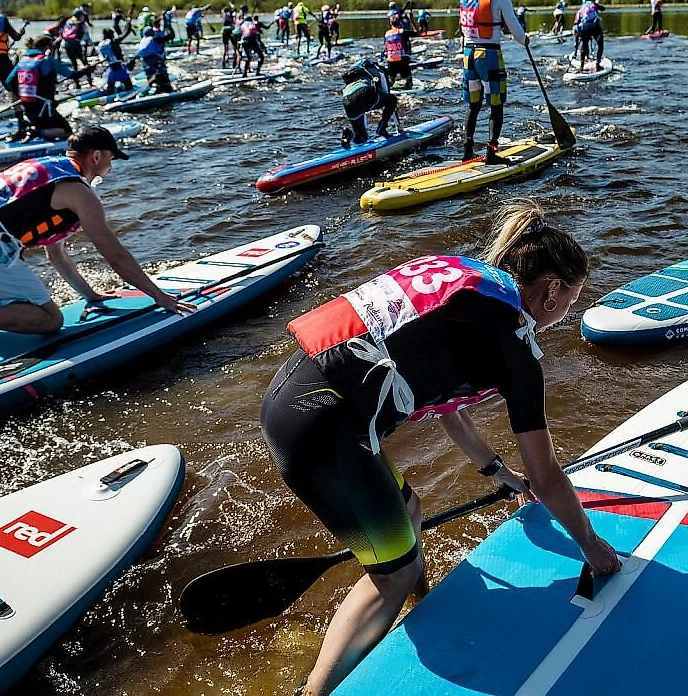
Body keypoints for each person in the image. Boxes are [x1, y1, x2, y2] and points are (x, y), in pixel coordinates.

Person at [262, 199, 622, 695]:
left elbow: (448, 405)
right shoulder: (513, 342)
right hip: (325, 428)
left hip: (296, 397)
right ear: (552, 289)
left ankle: (413, 602)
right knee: (393, 573)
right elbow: (548, 475)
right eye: (573, 300)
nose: (567, 313)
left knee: (407, 512)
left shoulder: (469, 285)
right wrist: (592, 545)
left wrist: (496, 471)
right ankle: (315, 690)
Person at [0, 126, 192, 375]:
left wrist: (91, 295)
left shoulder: (45, 169)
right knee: (50, 320)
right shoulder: (79, 191)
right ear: (96, 156)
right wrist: (160, 297)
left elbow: (57, 254)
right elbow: (115, 254)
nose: (112, 165)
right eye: (112, 158)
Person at [459, 0, 528, 164]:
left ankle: (467, 151)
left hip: (468, 55)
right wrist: (525, 39)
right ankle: (491, 153)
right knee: (496, 105)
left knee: (474, 104)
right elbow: (518, 33)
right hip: (488, 56)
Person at [8, 35, 87, 142]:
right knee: (67, 131)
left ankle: (28, 129)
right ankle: (35, 132)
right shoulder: (47, 61)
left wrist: (21, 96)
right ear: (47, 48)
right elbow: (73, 74)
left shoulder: (23, 60)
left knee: (43, 124)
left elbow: (9, 81)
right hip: (44, 107)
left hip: (27, 106)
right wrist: (87, 70)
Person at [339, 58, 397, 148]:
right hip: (364, 94)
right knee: (392, 100)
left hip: (346, 100)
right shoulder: (379, 70)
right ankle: (382, 129)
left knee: (361, 137)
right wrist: (399, 127)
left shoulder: (352, 76)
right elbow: (387, 94)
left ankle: (349, 135)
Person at [136, 25, 175, 94]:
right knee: (163, 76)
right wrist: (169, 26)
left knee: (151, 78)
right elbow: (171, 36)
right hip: (155, 60)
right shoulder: (154, 39)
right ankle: (167, 89)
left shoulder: (143, 40)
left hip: (145, 62)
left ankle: (153, 90)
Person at [98, 26, 135, 95]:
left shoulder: (100, 44)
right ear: (111, 34)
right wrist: (128, 23)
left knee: (110, 88)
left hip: (110, 71)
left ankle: (108, 98)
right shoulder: (112, 42)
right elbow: (125, 34)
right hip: (120, 70)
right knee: (129, 87)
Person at [59, 11, 91, 88]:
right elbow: (85, 33)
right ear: (79, 15)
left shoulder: (68, 21)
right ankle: (90, 81)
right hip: (76, 44)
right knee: (84, 62)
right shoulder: (80, 22)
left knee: (74, 64)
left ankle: (77, 84)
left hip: (67, 44)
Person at [383, 15, 413, 90]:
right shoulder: (402, 31)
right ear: (399, 22)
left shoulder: (387, 33)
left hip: (391, 61)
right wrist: (411, 20)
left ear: (390, 23)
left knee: (391, 81)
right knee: (409, 80)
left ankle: (387, 87)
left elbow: (386, 48)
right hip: (402, 60)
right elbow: (417, 32)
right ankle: (408, 86)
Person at [573, 0, 604, 68]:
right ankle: (598, 63)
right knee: (600, 45)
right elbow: (603, 8)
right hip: (595, 27)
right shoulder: (593, 4)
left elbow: (576, 22)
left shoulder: (580, 9)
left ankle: (582, 66)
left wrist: (577, 32)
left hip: (584, 28)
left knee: (584, 45)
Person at [220, 3, 239, 69]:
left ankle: (223, 62)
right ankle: (235, 62)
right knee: (235, 47)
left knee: (225, 48)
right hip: (231, 29)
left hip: (224, 30)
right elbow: (234, 8)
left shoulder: (223, 15)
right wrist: (231, 4)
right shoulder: (230, 13)